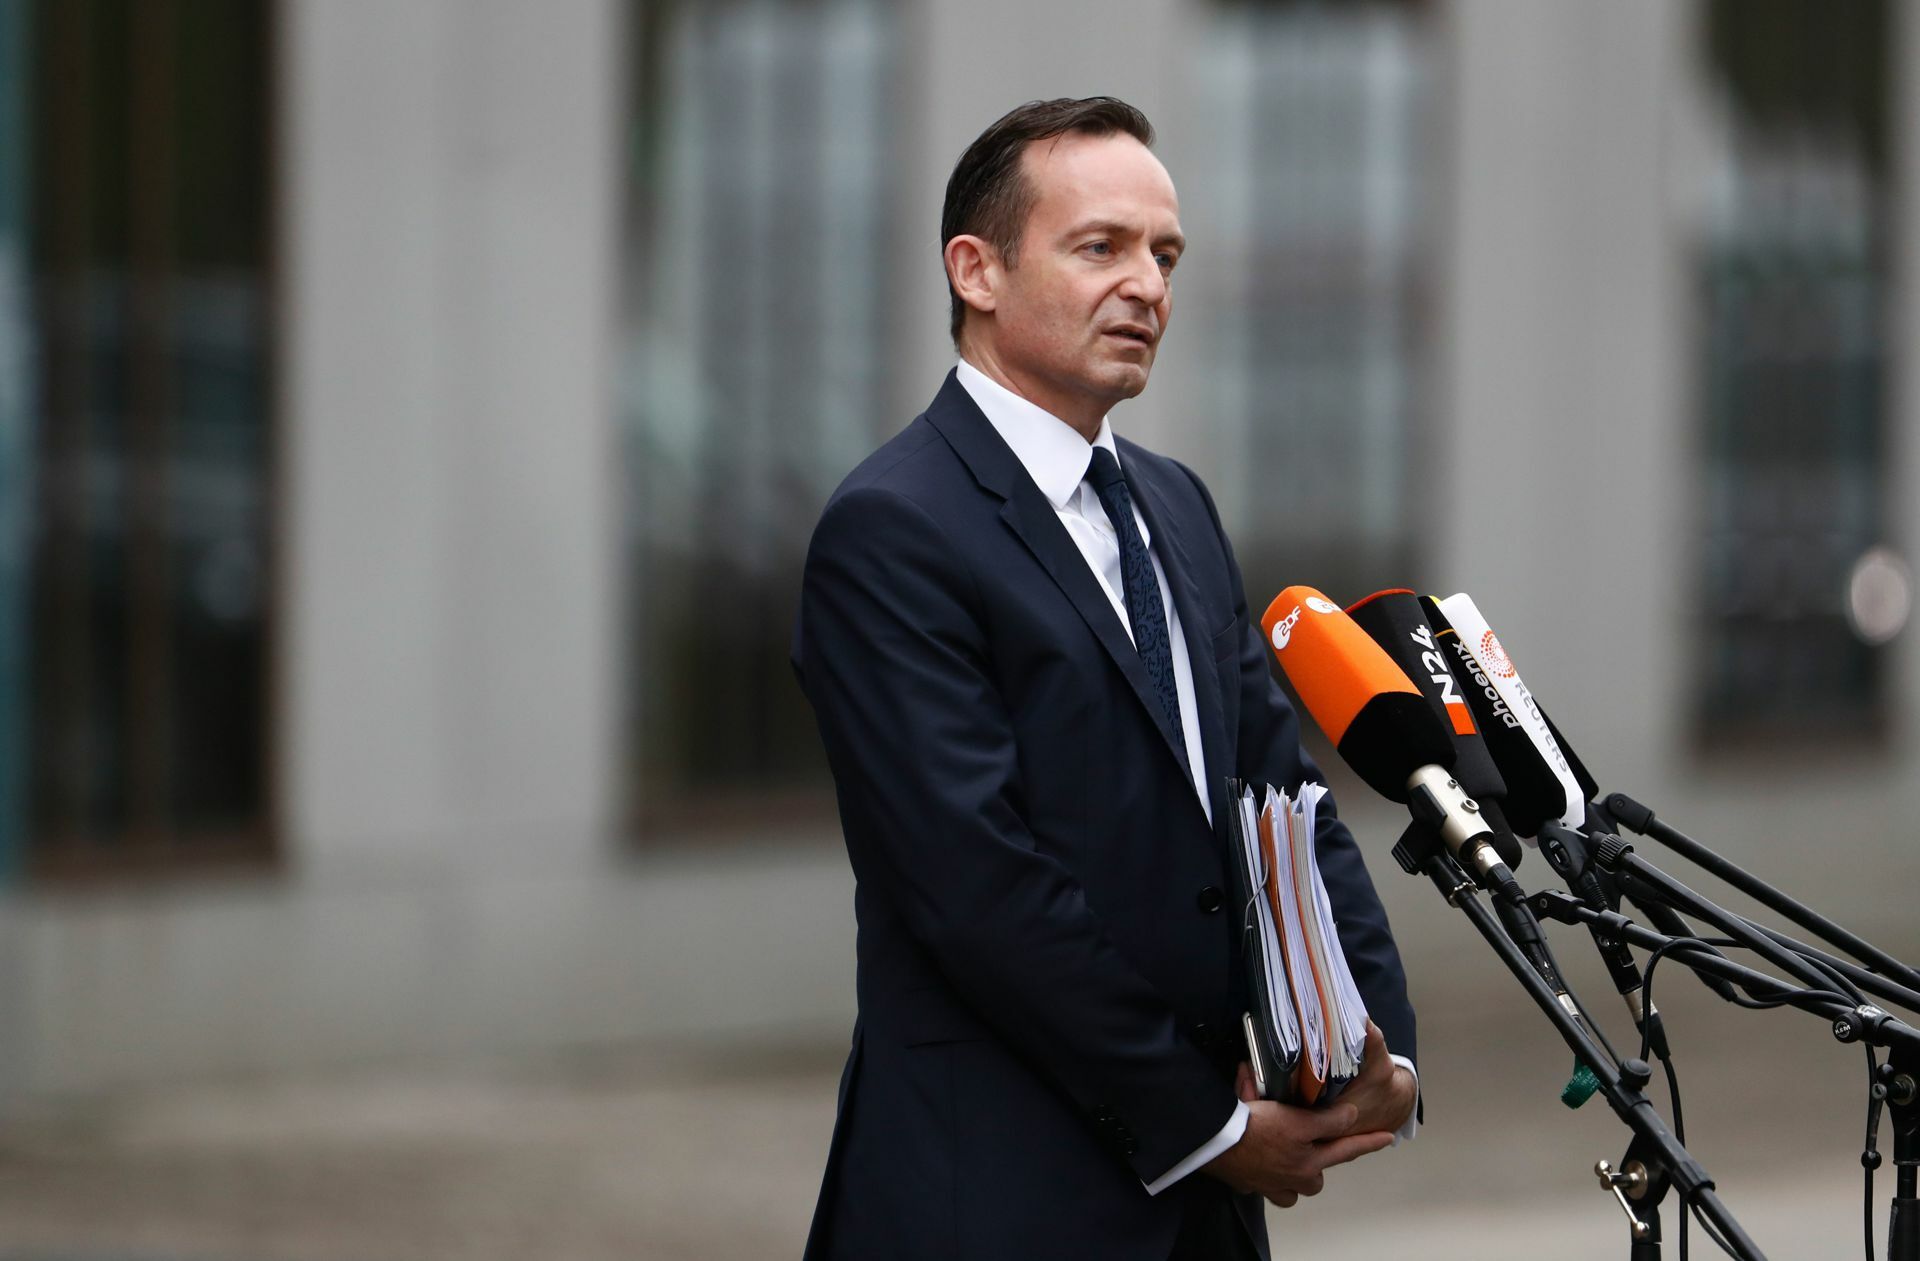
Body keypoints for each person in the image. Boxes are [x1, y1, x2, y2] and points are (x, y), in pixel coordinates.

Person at [792, 97, 1419, 1261]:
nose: (1147, 286)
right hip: (997, 1201)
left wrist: (1377, 1048)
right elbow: (979, 886)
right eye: (1101, 247)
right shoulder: (892, 529)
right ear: (976, 271)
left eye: (1165, 256)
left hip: (1203, 1222)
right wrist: (1211, 1126)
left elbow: (1283, 799)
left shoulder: (1175, 503)